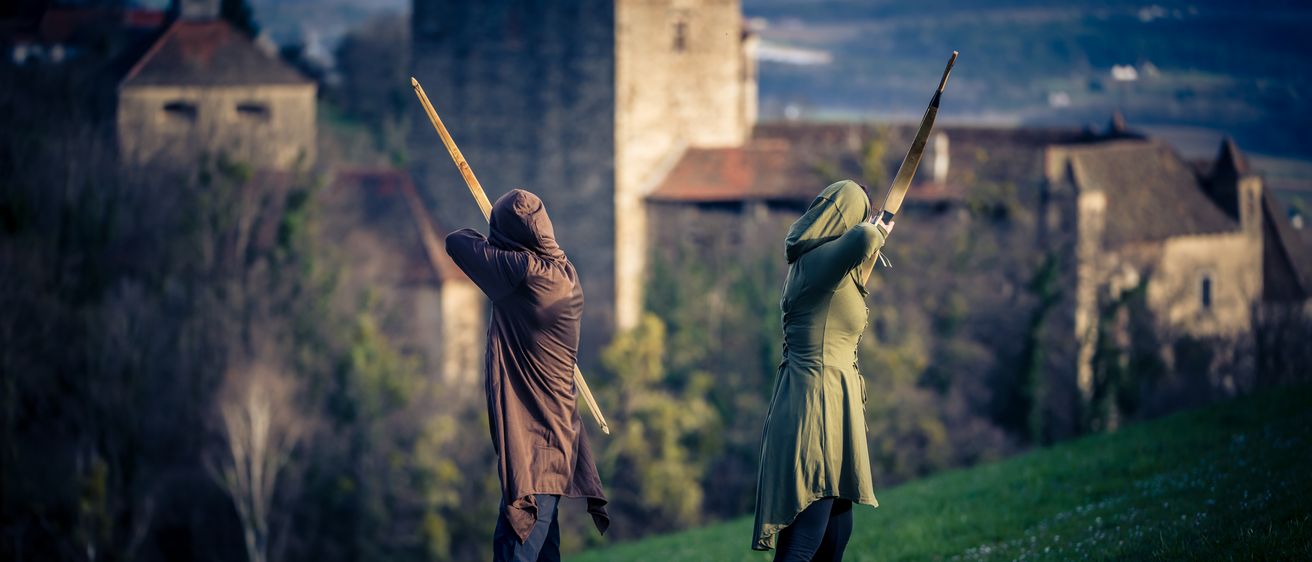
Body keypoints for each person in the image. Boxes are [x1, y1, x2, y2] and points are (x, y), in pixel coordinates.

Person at [445, 189, 609, 562]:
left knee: (515, 549)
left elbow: (457, 241)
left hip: (536, 446)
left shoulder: (522, 275)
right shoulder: (564, 270)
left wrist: (496, 241)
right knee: (543, 551)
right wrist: (505, 241)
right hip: (556, 436)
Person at [752, 180, 892, 561]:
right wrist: (878, 225)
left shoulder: (829, 269)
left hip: (830, 400)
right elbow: (864, 238)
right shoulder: (816, 264)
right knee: (804, 539)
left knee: (835, 533)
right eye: (859, 212)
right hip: (817, 404)